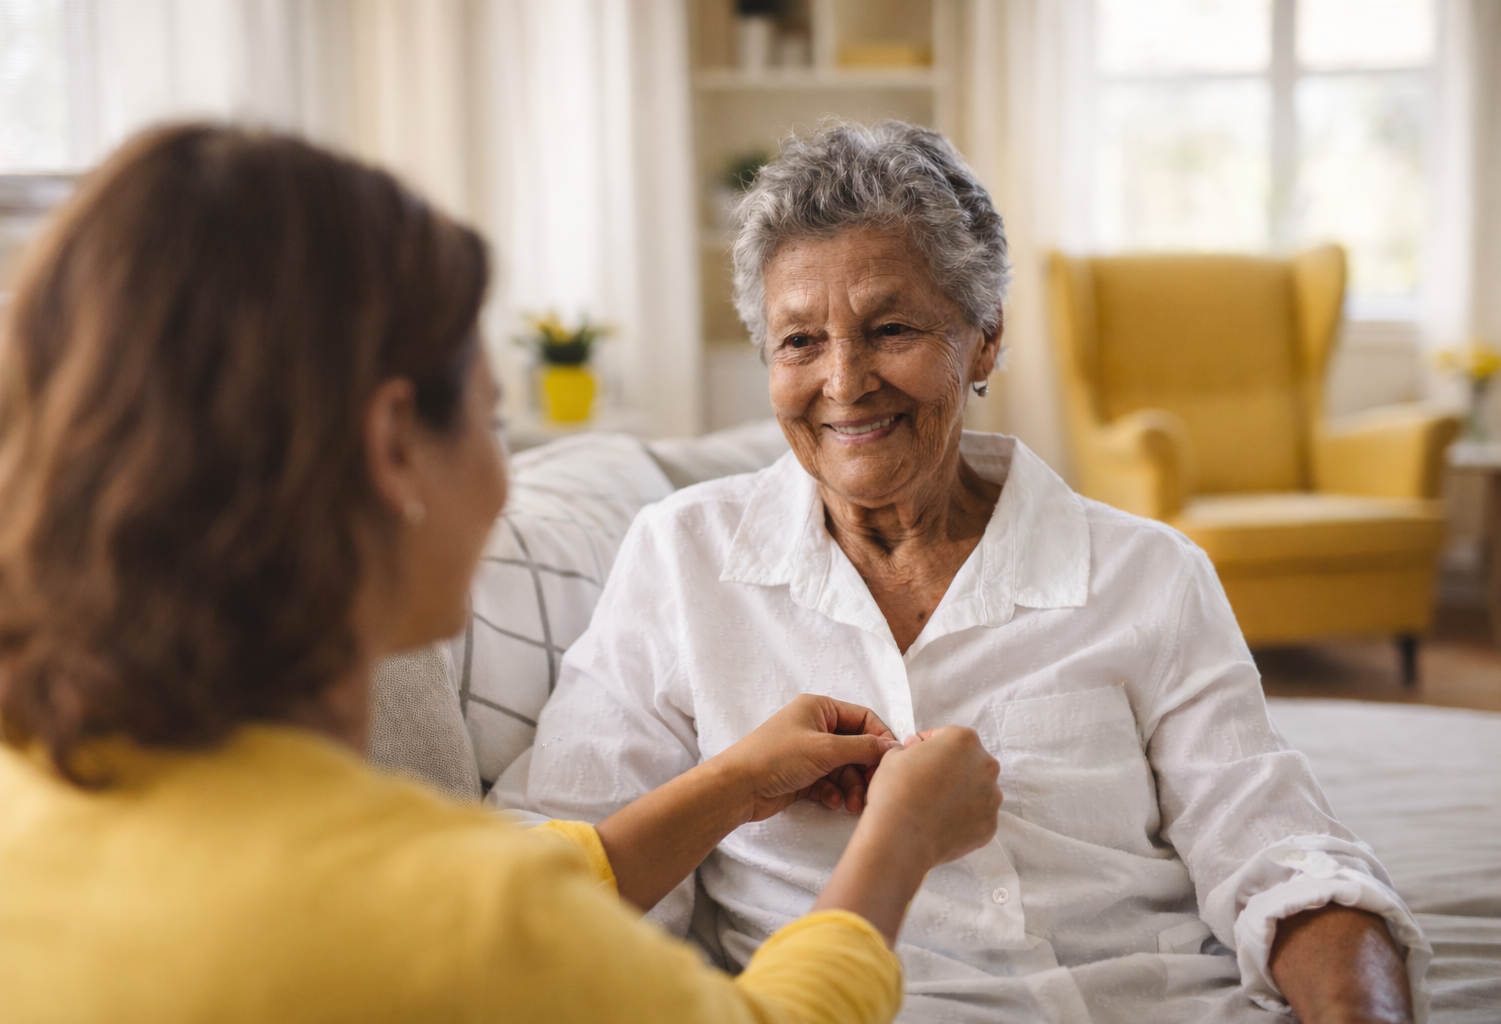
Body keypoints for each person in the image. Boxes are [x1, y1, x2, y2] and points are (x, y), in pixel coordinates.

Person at [0, 123, 1006, 1024]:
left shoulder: (31, 806)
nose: (502, 482)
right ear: (396, 449)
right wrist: (900, 840)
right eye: (487, 419)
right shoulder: (467, 921)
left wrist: (726, 786)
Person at [496, 121, 1430, 1024]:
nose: (845, 381)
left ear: (983, 339)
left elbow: (1281, 853)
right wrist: (731, 787)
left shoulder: (1149, 573)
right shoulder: (682, 558)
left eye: (890, 326)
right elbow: (541, 882)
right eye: (799, 342)